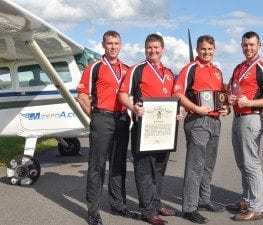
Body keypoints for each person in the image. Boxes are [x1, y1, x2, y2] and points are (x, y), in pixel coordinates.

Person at [118, 33, 182, 225]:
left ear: (162, 49)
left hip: (165, 129)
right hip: (144, 128)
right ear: (145, 49)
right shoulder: (136, 70)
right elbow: (122, 94)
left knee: (160, 168)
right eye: (149, 47)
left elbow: (173, 99)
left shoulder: (169, 73)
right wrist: (133, 108)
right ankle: (147, 210)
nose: (152, 50)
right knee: (144, 168)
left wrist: (178, 113)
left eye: (156, 47)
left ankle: (156, 203)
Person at [77, 30, 138, 225]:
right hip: (102, 118)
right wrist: (94, 117)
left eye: (116, 43)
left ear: (121, 45)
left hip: (121, 119)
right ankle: (93, 211)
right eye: (109, 43)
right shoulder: (94, 67)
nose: (113, 47)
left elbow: (137, 94)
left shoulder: (128, 69)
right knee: (97, 166)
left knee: (118, 164)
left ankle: (118, 205)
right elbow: (82, 96)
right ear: (103, 45)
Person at [172, 35, 229, 224]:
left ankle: (204, 199)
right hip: (197, 120)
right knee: (195, 165)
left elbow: (222, 96)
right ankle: (189, 207)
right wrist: (196, 108)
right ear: (197, 50)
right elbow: (177, 93)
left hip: (214, 121)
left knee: (208, 164)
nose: (207, 52)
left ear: (214, 49)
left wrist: (225, 107)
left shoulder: (218, 71)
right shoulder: (190, 68)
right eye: (203, 49)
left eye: (210, 49)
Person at [225, 31, 263, 221]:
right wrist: (231, 98)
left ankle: (256, 207)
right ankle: (246, 200)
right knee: (242, 162)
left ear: (259, 45)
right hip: (238, 118)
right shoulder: (238, 68)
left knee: (251, 163)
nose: (248, 48)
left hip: (251, 117)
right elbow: (232, 90)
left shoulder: (262, 69)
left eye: (252, 45)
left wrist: (250, 103)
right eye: (245, 45)